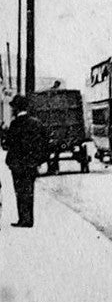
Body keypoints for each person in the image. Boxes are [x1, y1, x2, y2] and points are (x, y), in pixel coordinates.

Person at [2, 96, 48, 228]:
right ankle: (29, 219)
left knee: (19, 191)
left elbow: (8, 143)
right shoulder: (37, 123)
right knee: (29, 191)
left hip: (17, 164)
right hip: (31, 164)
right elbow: (44, 143)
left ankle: (23, 219)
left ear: (16, 108)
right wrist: (39, 160)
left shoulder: (15, 124)